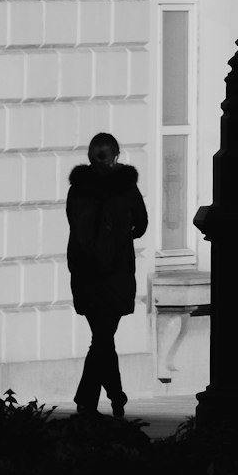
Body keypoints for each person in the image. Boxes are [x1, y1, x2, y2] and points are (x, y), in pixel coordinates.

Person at [66, 132, 148, 418]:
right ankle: (90, 400)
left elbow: (72, 223)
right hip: (115, 275)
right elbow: (142, 224)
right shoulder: (125, 187)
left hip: (86, 276)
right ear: (116, 156)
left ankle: (114, 397)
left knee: (102, 338)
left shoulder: (78, 188)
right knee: (103, 339)